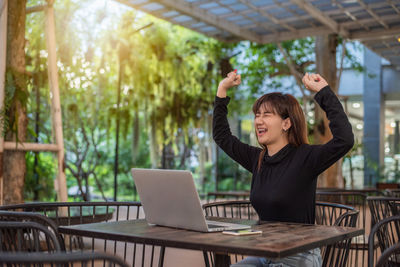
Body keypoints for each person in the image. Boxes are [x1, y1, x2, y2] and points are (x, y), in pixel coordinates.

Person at [213, 71, 354, 267]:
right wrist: (222, 89)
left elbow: (345, 140)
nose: (258, 121)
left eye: (266, 115)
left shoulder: (306, 158)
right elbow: (222, 136)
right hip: (265, 252)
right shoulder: (258, 159)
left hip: (299, 254)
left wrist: (323, 91)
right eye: (257, 115)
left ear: (286, 123)